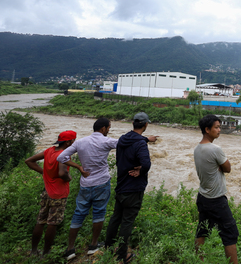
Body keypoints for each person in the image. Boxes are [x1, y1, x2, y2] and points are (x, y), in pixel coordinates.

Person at [57, 117, 116, 260]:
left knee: (79, 213)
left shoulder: (80, 142)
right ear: (103, 129)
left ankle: (70, 249)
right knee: (99, 213)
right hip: (101, 183)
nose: (109, 130)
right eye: (108, 128)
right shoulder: (107, 141)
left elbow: (61, 157)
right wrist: (146, 139)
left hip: (85, 184)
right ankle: (93, 245)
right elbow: (127, 143)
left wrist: (78, 167)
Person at [105, 112, 157, 263]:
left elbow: (135, 142)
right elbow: (146, 163)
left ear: (133, 123)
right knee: (127, 221)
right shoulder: (140, 143)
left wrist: (146, 139)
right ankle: (122, 255)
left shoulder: (123, 138)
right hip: (133, 188)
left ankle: (109, 247)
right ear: (145, 124)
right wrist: (140, 170)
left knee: (116, 217)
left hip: (121, 185)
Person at [25, 130, 87, 256]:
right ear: (69, 142)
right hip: (58, 194)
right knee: (52, 223)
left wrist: (44, 173)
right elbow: (62, 173)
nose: (74, 143)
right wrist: (69, 178)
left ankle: (33, 251)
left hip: (46, 192)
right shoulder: (64, 154)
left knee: (40, 220)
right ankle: (46, 253)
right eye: (73, 141)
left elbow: (29, 161)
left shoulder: (49, 151)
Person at [194, 114, 239, 264]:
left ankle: (199, 259)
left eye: (220, 127)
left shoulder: (197, 148)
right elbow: (227, 168)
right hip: (216, 199)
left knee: (202, 229)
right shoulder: (215, 149)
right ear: (207, 129)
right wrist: (219, 166)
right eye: (217, 127)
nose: (219, 130)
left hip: (203, 196)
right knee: (230, 233)